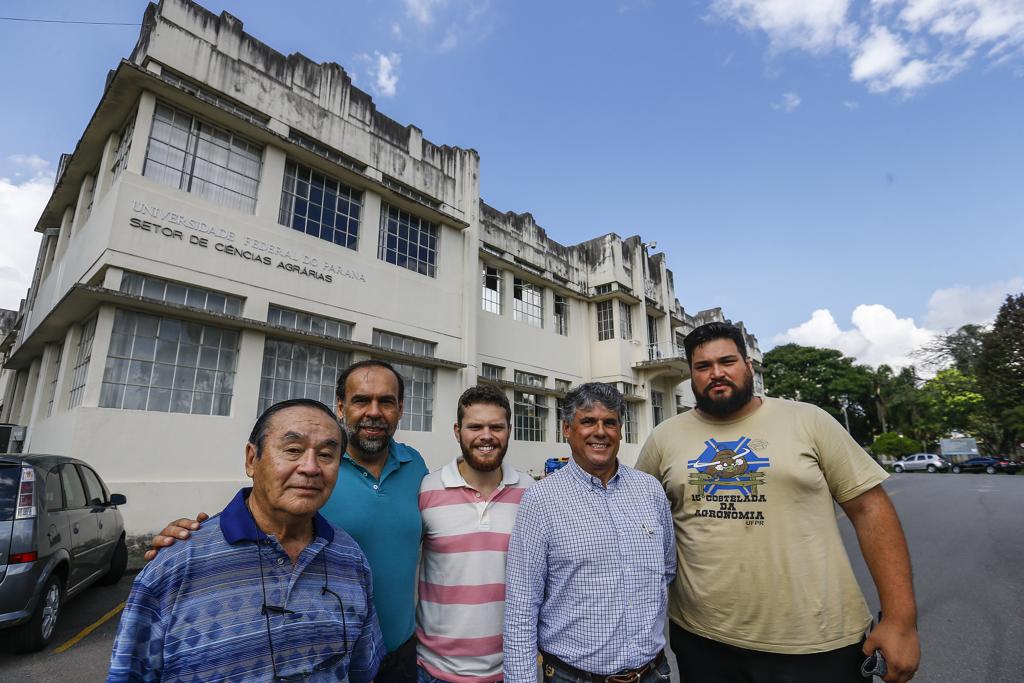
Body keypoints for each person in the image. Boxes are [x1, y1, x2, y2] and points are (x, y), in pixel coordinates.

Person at [635, 322, 921, 683]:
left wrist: (900, 620)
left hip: (816, 642)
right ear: (691, 375)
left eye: (727, 361)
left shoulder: (809, 420)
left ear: (749, 365)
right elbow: (637, 517)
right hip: (702, 639)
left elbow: (870, 510)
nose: (717, 373)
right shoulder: (665, 437)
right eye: (703, 366)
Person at [146, 360, 428, 683]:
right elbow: (261, 513)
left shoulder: (415, 465)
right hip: (329, 655)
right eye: (361, 400)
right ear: (341, 406)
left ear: (401, 408)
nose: (374, 412)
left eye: (386, 401)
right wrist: (193, 542)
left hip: (400, 651)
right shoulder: (319, 469)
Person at [108, 398, 384, 682]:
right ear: (252, 459)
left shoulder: (350, 559)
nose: (310, 467)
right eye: (293, 450)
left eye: (326, 455)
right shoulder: (176, 566)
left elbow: (362, 670)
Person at [503, 383, 675, 683]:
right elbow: (521, 606)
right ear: (567, 429)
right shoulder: (541, 500)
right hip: (573, 677)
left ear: (620, 431)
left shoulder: (650, 490)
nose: (600, 431)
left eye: (610, 422)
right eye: (588, 422)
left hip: (652, 673)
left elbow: (667, 571)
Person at [417, 385, 533, 683]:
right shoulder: (426, 489)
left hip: (511, 670)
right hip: (433, 671)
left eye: (496, 426)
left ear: (509, 430)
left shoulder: (532, 492)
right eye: (475, 426)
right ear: (457, 431)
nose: (486, 435)